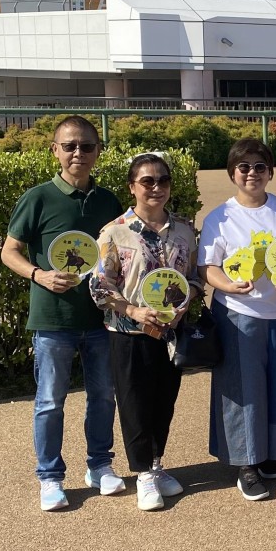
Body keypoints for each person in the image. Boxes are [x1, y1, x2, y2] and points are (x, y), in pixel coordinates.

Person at [0, 115, 125, 511]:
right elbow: (9, 251)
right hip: (53, 320)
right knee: (50, 402)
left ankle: (100, 466)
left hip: (101, 318)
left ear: (98, 151)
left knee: (103, 396)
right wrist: (39, 274)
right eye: (69, 146)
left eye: (86, 146)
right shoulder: (37, 198)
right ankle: (50, 477)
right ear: (55, 150)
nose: (78, 153)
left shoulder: (108, 201)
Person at [89, 152, 201, 510]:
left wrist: (186, 300)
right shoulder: (114, 231)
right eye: (147, 181)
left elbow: (194, 277)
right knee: (135, 404)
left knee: (164, 401)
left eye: (163, 180)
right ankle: (143, 475)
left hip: (170, 333)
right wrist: (134, 310)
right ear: (132, 187)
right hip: (129, 334)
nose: (156, 187)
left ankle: (156, 463)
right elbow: (99, 286)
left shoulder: (183, 229)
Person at [198, 138, 276, 501]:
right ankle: (246, 463)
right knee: (244, 389)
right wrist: (228, 285)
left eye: (260, 167)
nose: (252, 174)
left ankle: (271, 453)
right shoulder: (220, 217)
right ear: (232, 173)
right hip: (238, 313)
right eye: (243, 167)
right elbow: (208, 267)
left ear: (270, 172)